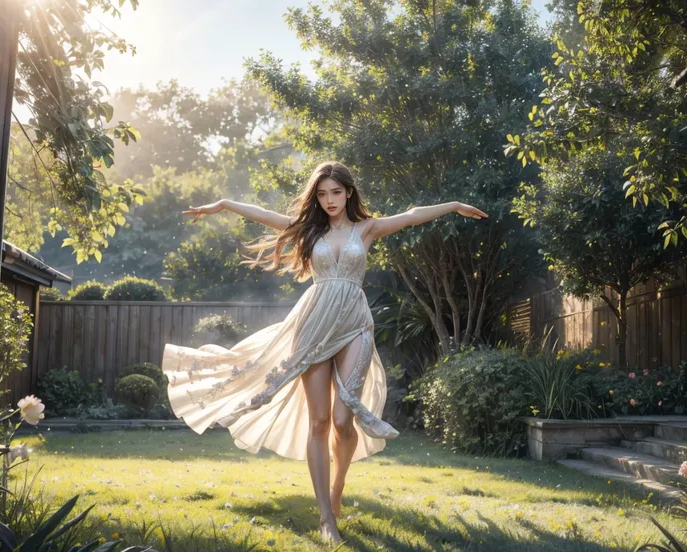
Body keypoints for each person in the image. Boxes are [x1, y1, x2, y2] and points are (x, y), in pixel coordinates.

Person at [162, 161, 488, 544]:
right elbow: (265, 215)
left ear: (349, 192)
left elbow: (413, 215)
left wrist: (452, 206)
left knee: (342, 418)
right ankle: (325, 517)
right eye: (322, 193)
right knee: (319, 422)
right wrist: (224, 204)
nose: (329, 200)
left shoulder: (366, 229)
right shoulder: (309, 229)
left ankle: (338, 488)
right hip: (314, 325)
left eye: (335, 192)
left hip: (354, 325)